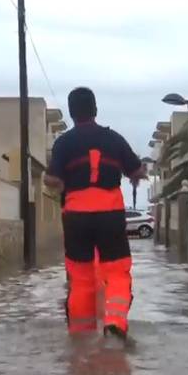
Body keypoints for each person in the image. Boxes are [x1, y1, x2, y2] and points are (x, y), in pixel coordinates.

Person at [45, 87, 147, 339]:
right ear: (95, 110)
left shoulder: (63, 142)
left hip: (75, 215)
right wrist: (136, 175)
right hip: (109, 214)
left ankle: (80, 335)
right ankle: (114, 322)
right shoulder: (114, 139)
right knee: (117, 272)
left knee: (80, 278)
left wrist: (62, 183)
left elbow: (52, 179)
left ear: (71, 113)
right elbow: (136, 171)